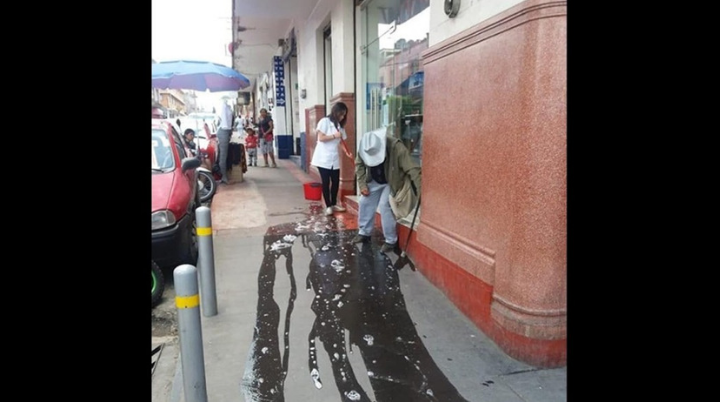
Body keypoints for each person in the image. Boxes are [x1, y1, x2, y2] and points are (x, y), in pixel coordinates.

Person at [352, 128, 421, 253]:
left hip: (391, 181)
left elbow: (412, 169)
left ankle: (390, 240)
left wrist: (420, 189)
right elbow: (359, 164)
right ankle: (364, 233)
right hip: (374, 180)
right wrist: (362, 185)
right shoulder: (365, 146)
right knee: (364, 202)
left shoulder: (396, 147)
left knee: (385, 205)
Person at [311, 102, 352, 216]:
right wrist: (334, 135)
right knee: (326, 182)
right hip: (322, 158)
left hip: (334, 158)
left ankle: (334, 204)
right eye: (341, 114)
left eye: (344, 115)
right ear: (335, 112)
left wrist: (347, 153)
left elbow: (341, 142)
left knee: (335, 182)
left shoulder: (340, 127)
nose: (342, 117)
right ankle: (328, 206)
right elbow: (321, 138)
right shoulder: (324, 122)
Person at [216, 101, 234, 184]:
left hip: (225, 130)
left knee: (224, 155)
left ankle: (224, 175)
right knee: (223, 155)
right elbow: (225, 122)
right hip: (224, 130)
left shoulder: (227, 106)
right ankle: (224, 177)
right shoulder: (223, 106)